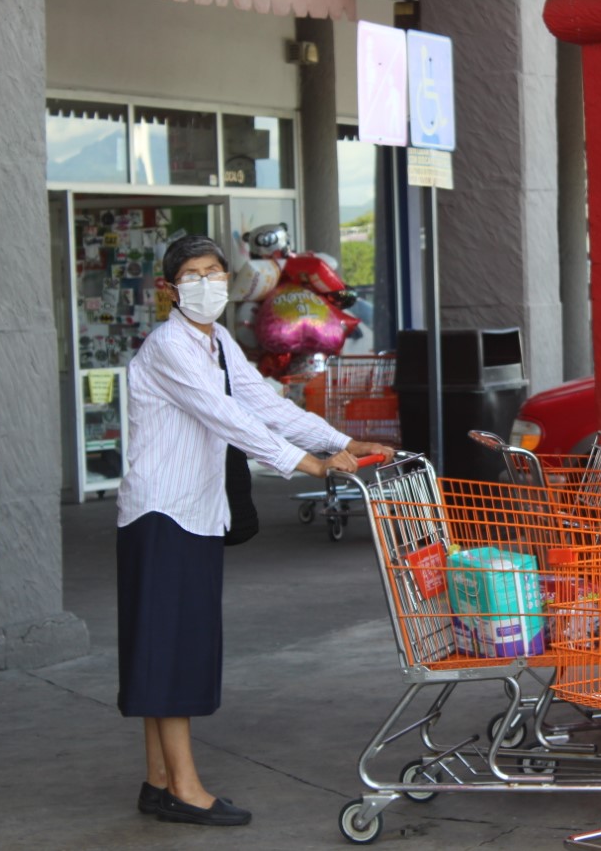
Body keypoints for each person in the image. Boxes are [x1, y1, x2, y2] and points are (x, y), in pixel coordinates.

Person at [116, 234, 392, 827]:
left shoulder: (216, 343)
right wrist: (307, 465)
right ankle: (184, 789)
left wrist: (341, 442)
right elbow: (229, 419)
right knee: (172, 650)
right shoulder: (171, 346)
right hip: (162, 514)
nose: (206, 283)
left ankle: (159, 780)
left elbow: (265, 405)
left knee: (170, 645)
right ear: (170, 289)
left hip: (194, 510)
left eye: (215, 271)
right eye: (192, 274)